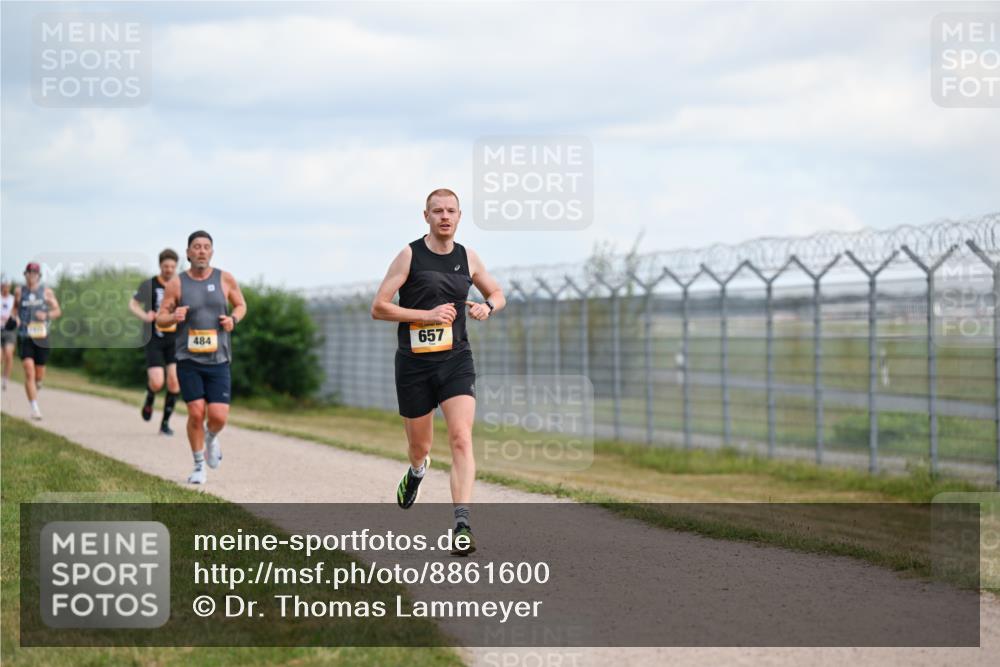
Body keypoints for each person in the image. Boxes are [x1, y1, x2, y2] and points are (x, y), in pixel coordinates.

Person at [371, 188, 505, 555]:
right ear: (426, 216)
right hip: (414, 364)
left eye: (451, 211)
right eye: (437, 211)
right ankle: (416, 471)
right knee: (420, 447)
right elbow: (379, 308)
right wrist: (425, 315)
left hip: (455, 360)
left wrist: (487, 307)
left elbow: (497, 292)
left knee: (461, 437)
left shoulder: (468, 257)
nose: (444, 216)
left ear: (460, 216)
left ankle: (462, 524)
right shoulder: (409, 255)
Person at [157, 231, 246, 484]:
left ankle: (211, 437)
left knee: (218, 417)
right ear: (188, 253)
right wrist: (173, 317)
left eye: (206, 247)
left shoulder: (225, 278)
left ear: (212, 252)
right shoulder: (177, 283)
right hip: (188, 359)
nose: (201, 251)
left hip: (218, 359)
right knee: (196, 413)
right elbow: (161, 317)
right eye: (196, 247)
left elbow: (241, 305)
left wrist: (233, 319)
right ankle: (198, 465)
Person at [130, 249, 181, 435]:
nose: (169, 269)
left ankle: (165, 424)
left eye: (172, 267)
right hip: (153, 338)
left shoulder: (179, 285)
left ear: (176, 267)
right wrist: (145, 315)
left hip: (174, 339)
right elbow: (132, 304)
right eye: (166, 266)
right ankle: (150, 396)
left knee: (175, 382)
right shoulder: (149, 284)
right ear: (160, 265)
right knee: (158, 382)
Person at [14, 262, 61, 420]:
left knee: (38, 375)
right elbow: (15, 310)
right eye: (29, 273)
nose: (32, 276)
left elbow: (57, 310)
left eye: (35, 273)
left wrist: (46, 315)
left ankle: (38, 384)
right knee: (28, 370)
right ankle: (34, 407)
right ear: (25, 274)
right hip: (25, 336)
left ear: (38, 276)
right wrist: (16, 319)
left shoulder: (46, 292)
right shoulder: (19, 291)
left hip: (41, 336)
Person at [1, 279, 16, 391]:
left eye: (8, 286)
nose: (6, 287)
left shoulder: (13, 300)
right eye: (4, 285)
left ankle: (5, 379)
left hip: (10, 330)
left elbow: (17, 313)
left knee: (9, 354)